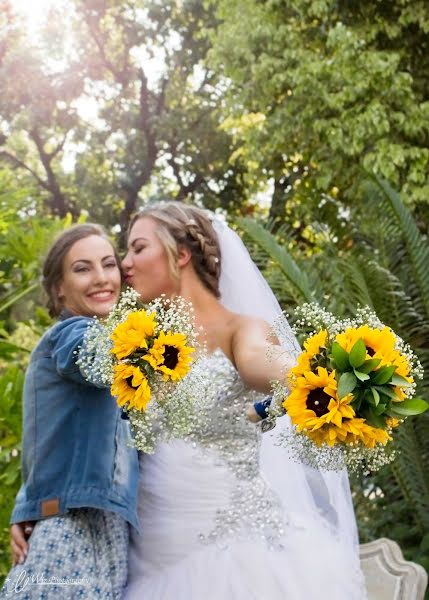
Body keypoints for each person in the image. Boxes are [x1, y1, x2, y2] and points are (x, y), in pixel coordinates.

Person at [121, 201, 368, 599]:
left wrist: (320, 381)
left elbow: (262, 363)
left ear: (181, 254)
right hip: (151, 553)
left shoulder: (241, 330)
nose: (125, 263)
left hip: (231, 552)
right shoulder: (136, 344)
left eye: (138, 248)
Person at [1, 224, 140, 599]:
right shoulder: (71, 335)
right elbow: (95, 361)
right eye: (82, 268)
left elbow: (44, 440)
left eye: (108, 264)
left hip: (102, 525)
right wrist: (153, 347)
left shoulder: (104, 336)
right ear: (58, 287)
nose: (101, 278)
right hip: (71, 528)